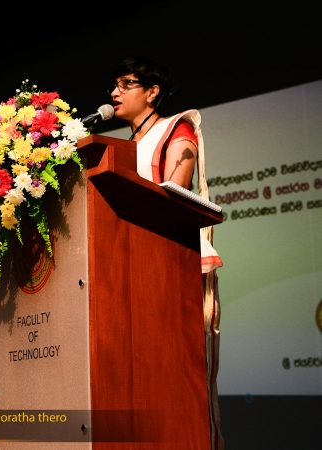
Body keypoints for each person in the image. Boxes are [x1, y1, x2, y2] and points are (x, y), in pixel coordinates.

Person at [108, 56, 225, 450]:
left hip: (167, 266)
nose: (115, 93)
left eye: (126, 84)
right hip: (125, 269)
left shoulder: (177, 128)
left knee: (172, 376)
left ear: (152, 92)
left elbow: (175, 194)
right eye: (114, 85)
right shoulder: (118, 150)